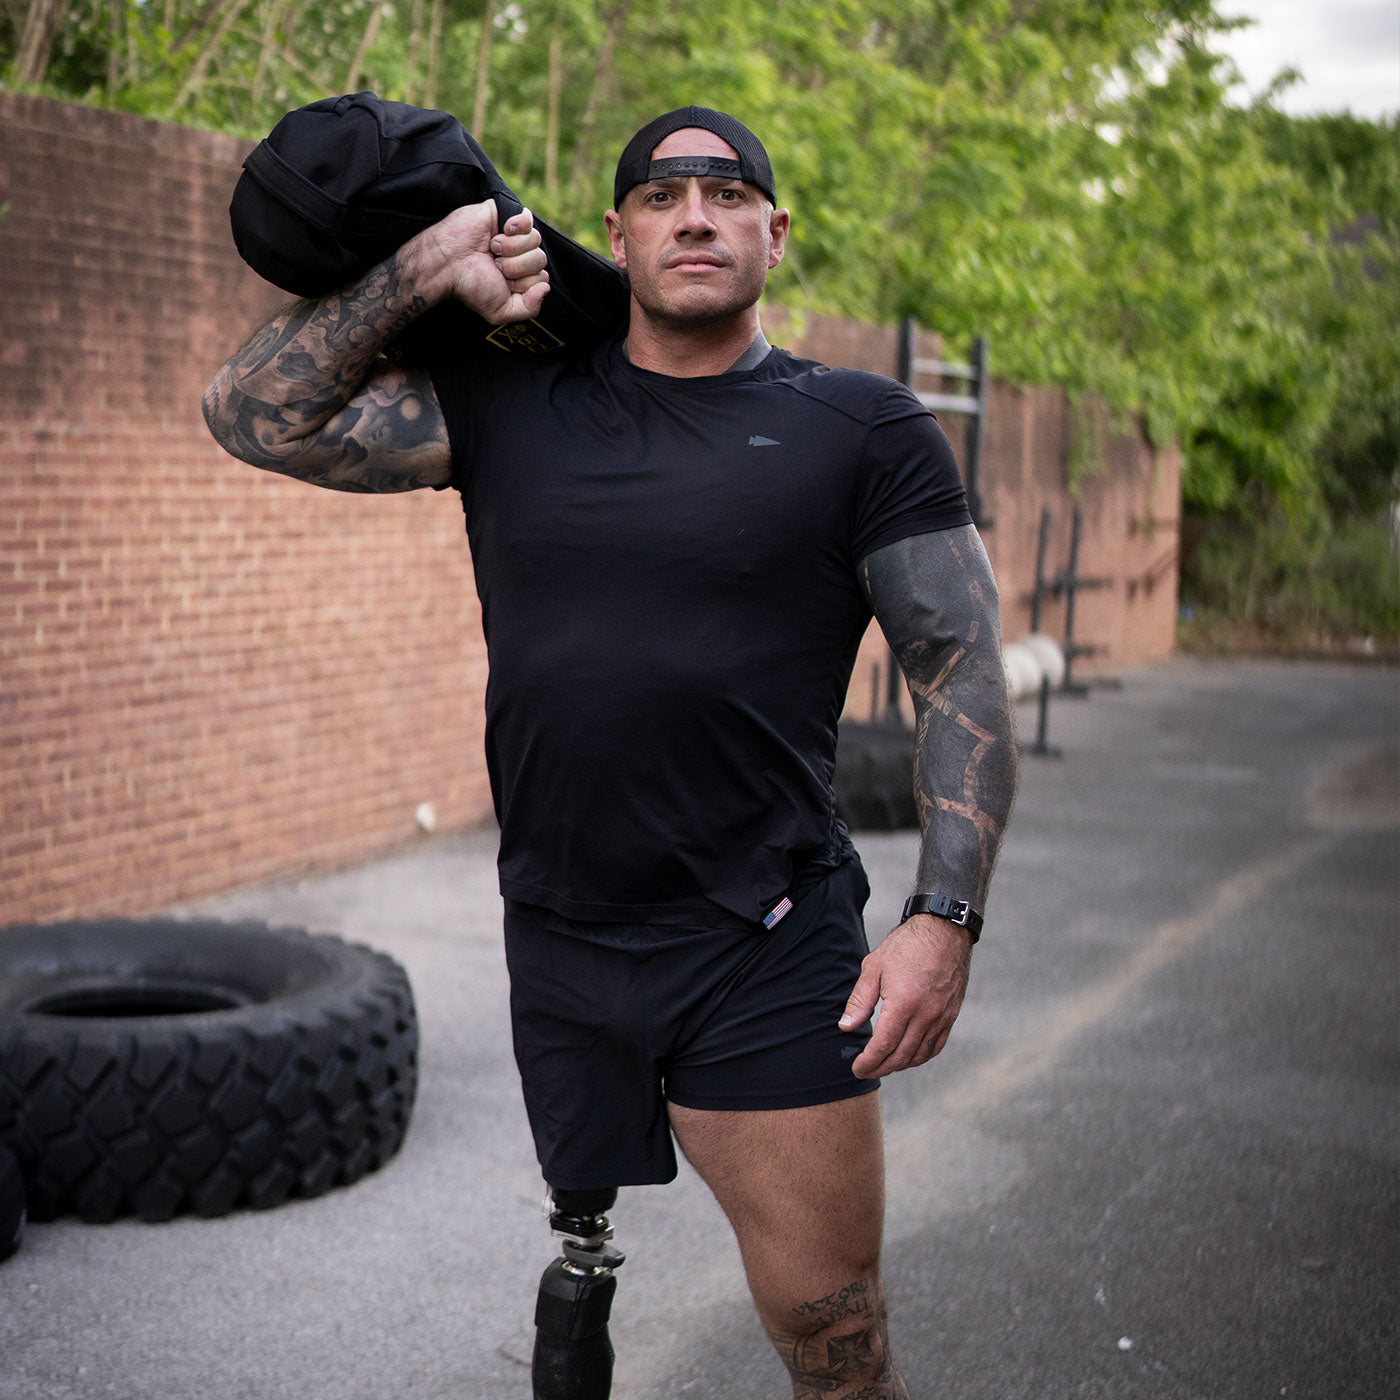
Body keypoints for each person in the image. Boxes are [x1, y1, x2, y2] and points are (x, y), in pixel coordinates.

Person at [204, 104, 1018, 1399]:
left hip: (763, 933)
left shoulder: (862, 430)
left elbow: (961, 669)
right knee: (584, 1239)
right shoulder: (514, 405)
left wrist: (944, 917)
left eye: (728, 190)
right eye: (662, 193)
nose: (695, 213)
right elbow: (255, 411)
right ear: (618, 232)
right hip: (562, 927)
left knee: (832, 1332)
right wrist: (433, 265)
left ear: (775, 231)